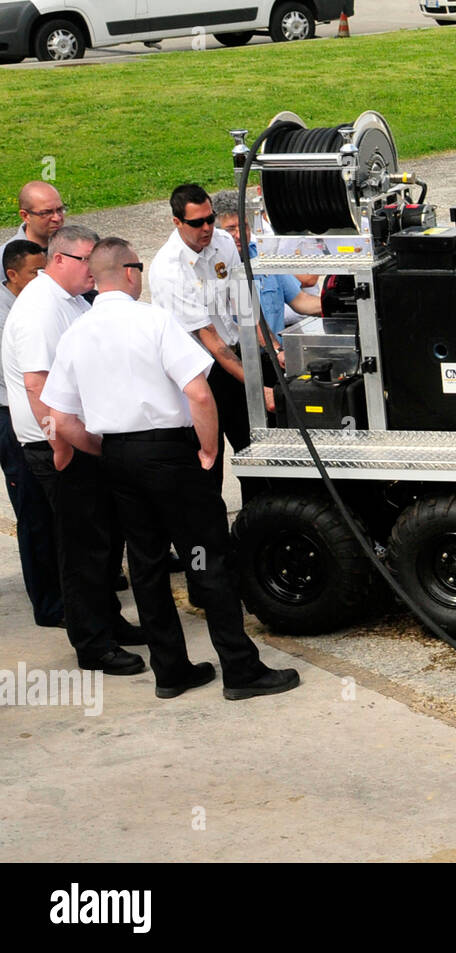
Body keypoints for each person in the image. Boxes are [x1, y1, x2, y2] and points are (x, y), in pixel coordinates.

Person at [41, 238, 300, 700]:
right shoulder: (153, 320)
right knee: (207, 558)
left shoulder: (77, 333)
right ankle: (240, 669)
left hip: (119, 457)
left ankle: (171, 669)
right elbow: (200, 393)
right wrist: (206, 451)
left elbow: (60, 418)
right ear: (129, 272)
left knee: (146, 565)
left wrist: (102, 450)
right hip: (169, 454)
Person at [1, 225, 143, 674]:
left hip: (80, 437)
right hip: (57, 444)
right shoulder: (41, 310)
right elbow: (37, 385)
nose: (95, 270)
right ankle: (92, 644)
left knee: (101, 538)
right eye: (87, 260)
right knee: (80, 547)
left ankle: (108, 621)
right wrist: (60, 442)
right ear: (58, 260)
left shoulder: (72, 300)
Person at [149, 184, 276, 466]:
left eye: (210, 218)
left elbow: (243, 303)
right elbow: (210, 340)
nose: (207, 228)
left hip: (232, 356)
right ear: (177, 222)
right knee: (210, 459)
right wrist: (257, 386)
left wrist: (272, 348)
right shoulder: (169, 270)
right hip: (198, 372)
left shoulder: (223, 242)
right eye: (197, 223)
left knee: (256, 449)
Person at [0, 240, 63, 627]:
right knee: (34, 510)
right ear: (12, 275)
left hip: (36, 414)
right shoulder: (10, 313)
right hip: (12, 418)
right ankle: (49, 604)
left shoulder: (38, 303)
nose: (42, 280)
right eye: (34, 274)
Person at [210, 190, 321, 344]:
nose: (240, 234)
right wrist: (275, 349)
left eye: (244, 226)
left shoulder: (262, 258)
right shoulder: (213, 269)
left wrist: (339, 306)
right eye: (230, 229)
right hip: (243, 360)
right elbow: (248, 323)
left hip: (276, 357)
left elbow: (301, 301)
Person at [2, 182, 66, 258]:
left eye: (60, 210)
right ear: (25, 216)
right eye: (46, 213)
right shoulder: (6, 259)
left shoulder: (75, 246)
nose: (57, 218)